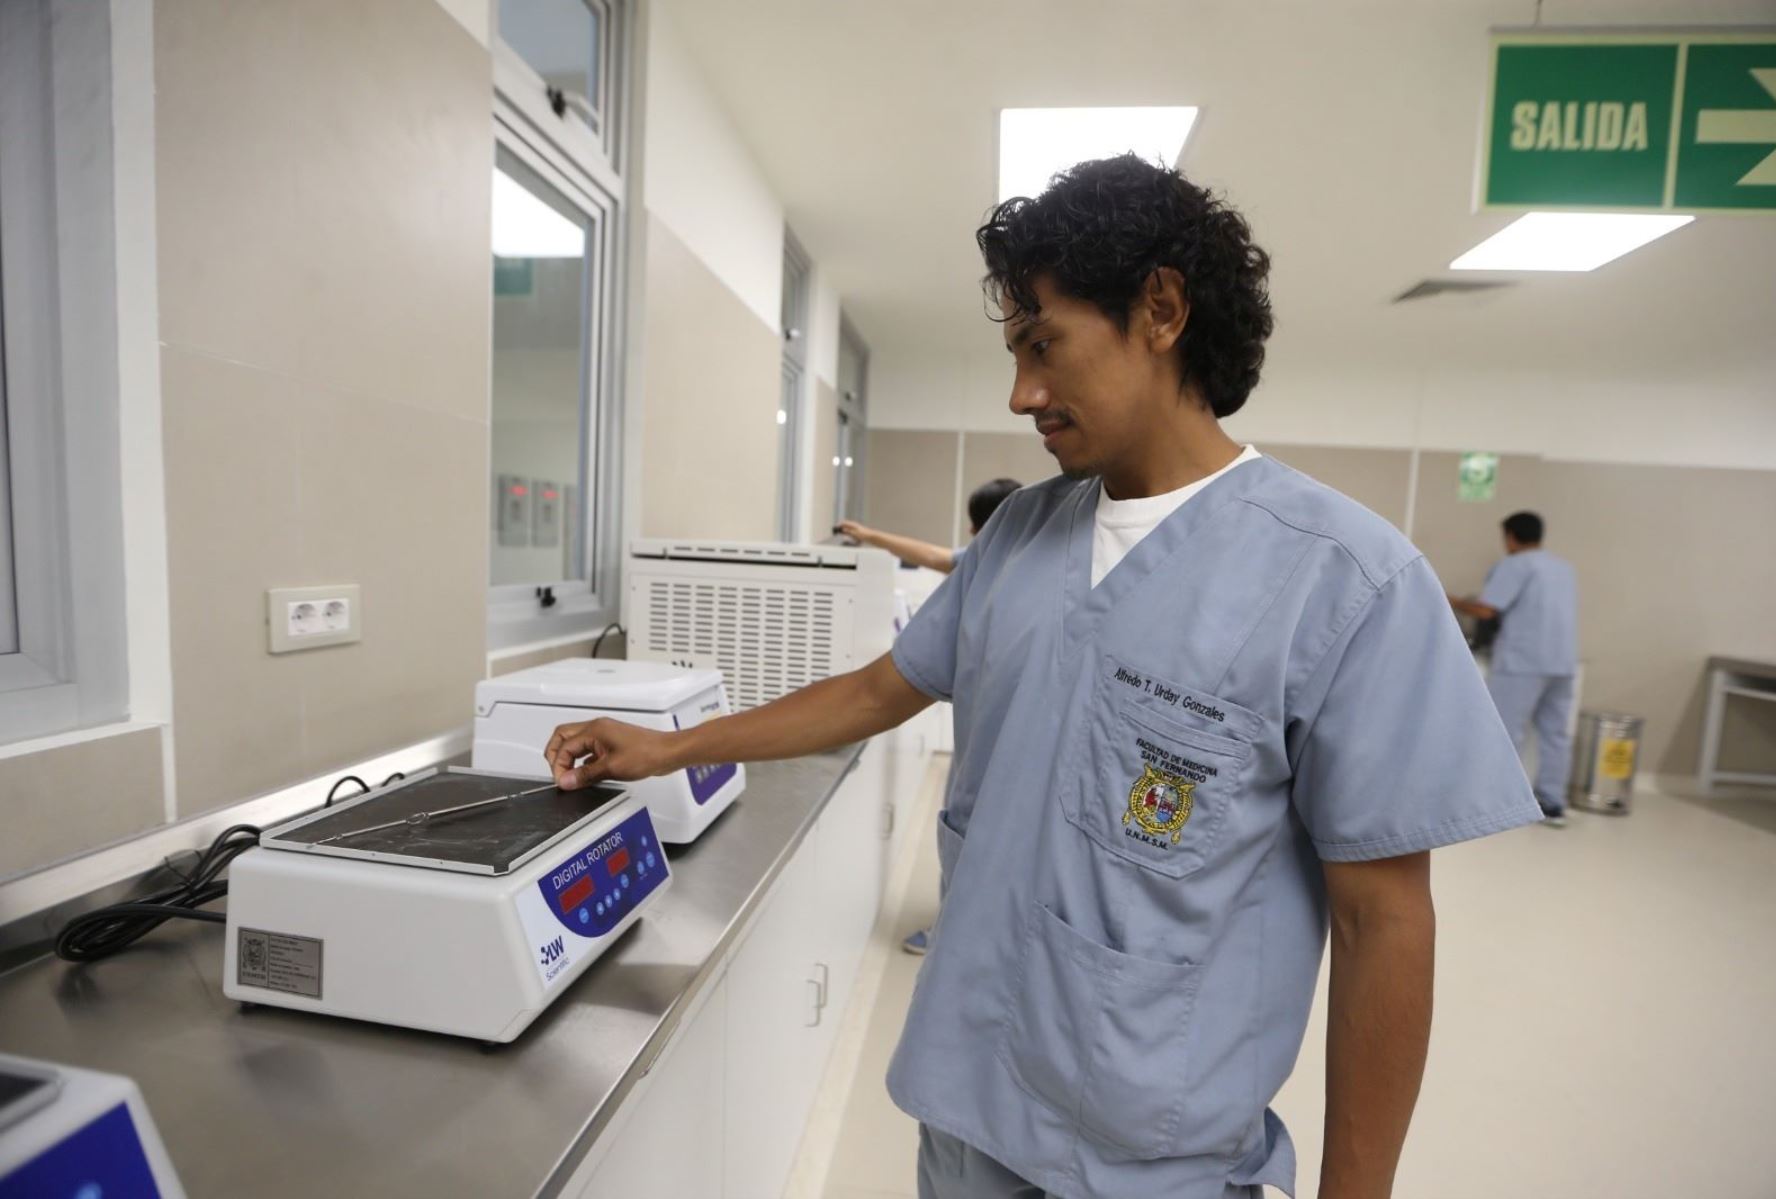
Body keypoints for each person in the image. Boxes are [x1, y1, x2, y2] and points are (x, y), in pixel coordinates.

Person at [546, 155, 1540, 1199]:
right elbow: (881, 689)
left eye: (1042, 345)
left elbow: (1383, 920)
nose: (1022, 393)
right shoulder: (1021, 535)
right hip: (969, 1106)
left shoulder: (1346, 581)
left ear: (1160, 310)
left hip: (1156, 1155)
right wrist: (670, 744)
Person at [838, 478, 1024, 954]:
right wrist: (872, 535)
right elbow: (938, 556)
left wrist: (870, 535)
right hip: (1004, 741)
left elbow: (940, 558)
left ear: (979, 526)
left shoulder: (992, 565)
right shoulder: (1017, 561)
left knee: (971, 838)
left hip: (987, 741)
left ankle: (953, 940)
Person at [1450, 512, 1580, 827]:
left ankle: (1496, 804)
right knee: (1556, 734)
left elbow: (1486, 609)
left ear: (1510, 536)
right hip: (1562, 662)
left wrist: (1445, 597)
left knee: (1505, 731)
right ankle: (1552, 802)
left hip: (1524, 661)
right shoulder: (1562, 568)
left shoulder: (1516, 564)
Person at [836, 477, 1023, 575]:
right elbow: (934, 556)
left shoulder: (1001, 566)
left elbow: (936, 558)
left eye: (976, 524)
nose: (971, 531)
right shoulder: (985, 559)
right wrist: (868, 535)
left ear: (995, 525)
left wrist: (869, 535)